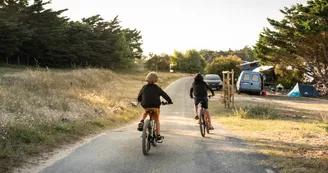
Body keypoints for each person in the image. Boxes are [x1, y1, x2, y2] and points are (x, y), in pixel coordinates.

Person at [137, 72, 173, 143]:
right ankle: (158, 136)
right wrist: (169, 101)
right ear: (156, 80)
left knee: (145, 112)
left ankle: (141, 121)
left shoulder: (144, 87)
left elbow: (139, 96)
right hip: (155, 106)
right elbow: (164, 95)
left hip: (146, 105)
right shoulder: (157, 88)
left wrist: (139, 100)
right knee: (156, 120)